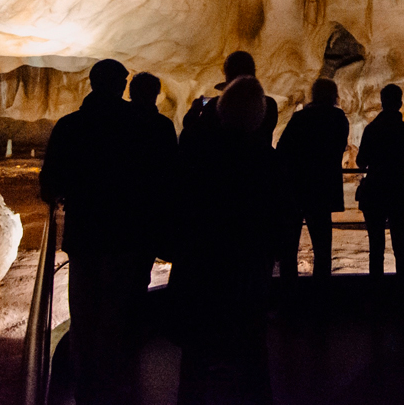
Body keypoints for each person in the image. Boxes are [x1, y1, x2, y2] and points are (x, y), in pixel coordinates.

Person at [169, 76, 297, 405]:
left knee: (196, 355)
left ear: (221, 112)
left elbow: (180, 205)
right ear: (259, 117)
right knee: (251, 352)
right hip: (248, 271)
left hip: (203, 266)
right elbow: (281, 217)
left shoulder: (200, 154)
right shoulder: (268, 161)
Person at [39, 59, 151, 405]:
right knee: (118, 309)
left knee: (85, 312)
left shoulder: (70, 126)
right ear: (121, 86)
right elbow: (154, 178)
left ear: (91, 84)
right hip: (126, 234)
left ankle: (85, 383)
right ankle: (117, 378)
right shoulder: (139, 125)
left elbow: (50, 183)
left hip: (85, 234)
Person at [277, 78, 350, 279]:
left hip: (297, 188)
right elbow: (337, 149)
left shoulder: (300, 118)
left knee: (289, 248)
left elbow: (282, 150)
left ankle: (289, 296)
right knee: (323, 249)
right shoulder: (339, 119)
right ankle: (321, 298)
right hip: (324, 189)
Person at [356, 84, 404, 278]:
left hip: (375, 191)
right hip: (401, 190)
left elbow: (361, 162)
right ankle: (402, 293)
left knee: (376, 247)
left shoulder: (371, 130)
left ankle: (376, 294)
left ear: (382, 102)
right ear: (400, 103)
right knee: (400, 244)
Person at [178, 51, 278, 155]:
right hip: (258, 165)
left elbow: (193, 134)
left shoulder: (215, 105)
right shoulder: (270, 105)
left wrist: (194, 110)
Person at [128, 72, 179, 262]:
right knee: (140, 270)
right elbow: (171, 169)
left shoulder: (118, 123)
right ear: (155, 94)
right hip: (150, 212)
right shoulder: (162, 126)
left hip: (119, 211)